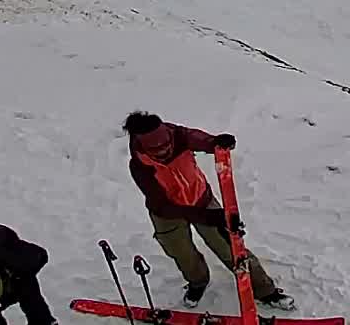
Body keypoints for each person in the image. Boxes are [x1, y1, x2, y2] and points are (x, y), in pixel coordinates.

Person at [122, 112, 291, 310]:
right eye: (157, 150)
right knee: (181, 252)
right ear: (143, 146)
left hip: (201, 199)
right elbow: (163, 205)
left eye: (166, 145)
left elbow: (198, 138)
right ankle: (197, 282)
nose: (164, 151)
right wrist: (208, 217)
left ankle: (265, 290)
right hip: (167, 214)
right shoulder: (140, 167)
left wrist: (216, 142)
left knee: (230, 245)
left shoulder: (177, 135)